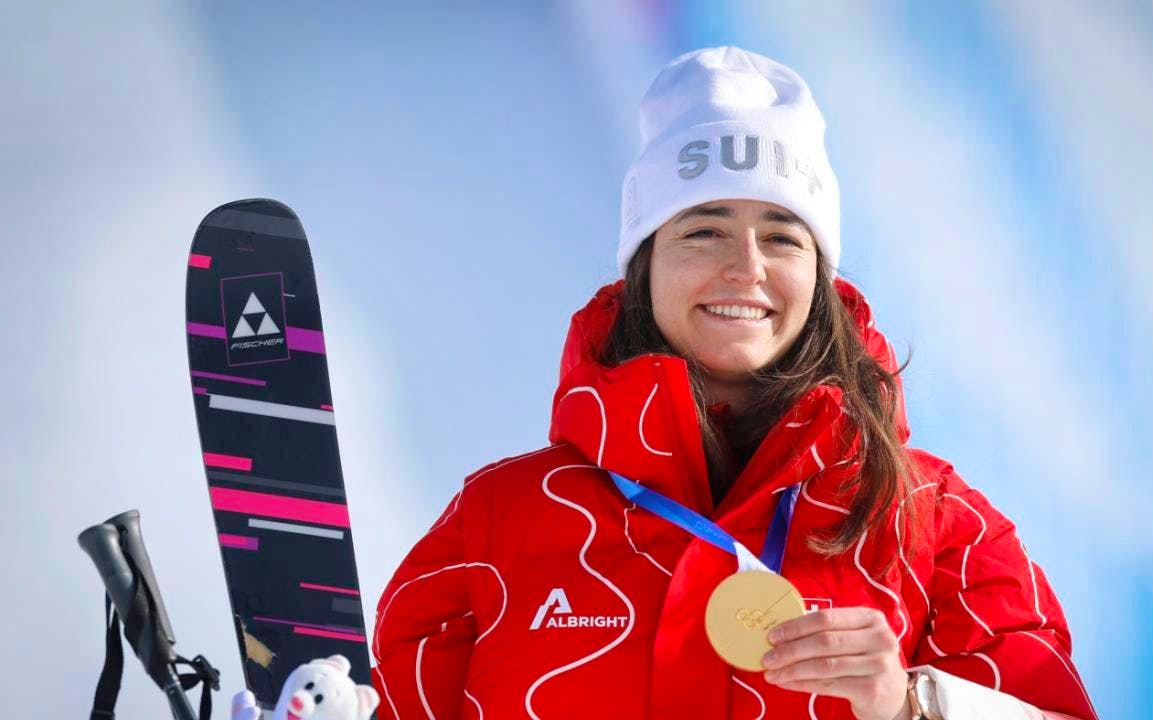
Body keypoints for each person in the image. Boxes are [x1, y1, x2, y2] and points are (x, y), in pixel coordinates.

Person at [371, 46, 1097, 720]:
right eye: (703, 230)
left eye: (782, 235)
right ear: (644, 265)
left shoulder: (939, 530)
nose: (746, 266)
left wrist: (911, 704)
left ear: (820, 277)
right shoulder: (499, 519)